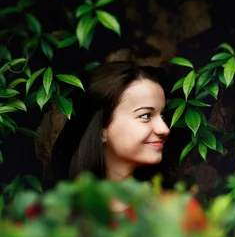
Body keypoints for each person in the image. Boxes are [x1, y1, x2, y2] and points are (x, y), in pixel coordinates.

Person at [51, 61, 206, 227]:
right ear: (101, 129)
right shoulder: (52, 218)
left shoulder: (179, 211)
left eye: (163, 116)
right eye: (145, 116)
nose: (164, 129)